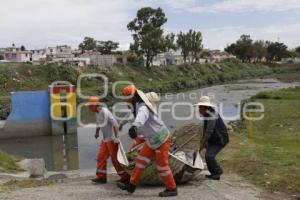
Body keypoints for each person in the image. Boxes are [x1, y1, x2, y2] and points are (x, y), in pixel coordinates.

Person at [117, 85, 177, 197]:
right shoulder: (136, 106)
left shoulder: (142, 107)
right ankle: (131, 185)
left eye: (126, 98)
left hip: (161, 139)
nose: (125, 100)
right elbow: (135, 117)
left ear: (132, 97)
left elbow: (141, 118)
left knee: (162, 166)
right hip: (151, 140)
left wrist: (134, 127)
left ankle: (172, 188)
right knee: (140, 162)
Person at [85, 97, 130, 184]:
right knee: (100, 158)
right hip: (105, 140)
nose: (89, 108)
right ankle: (101, 177)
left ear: (95, 105)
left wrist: (117, 137)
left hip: (112, 140)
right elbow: (99, 123)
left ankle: (126, 177)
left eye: (90, 106)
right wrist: (97, 132)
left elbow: (115, 124)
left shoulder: (105, 112)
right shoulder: (96, 113)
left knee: (115, 160)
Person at [195, 96, 229, 180]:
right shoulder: (207, 114)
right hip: (214, 138)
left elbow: (209, 131)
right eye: (199, 107)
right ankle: (214, 173)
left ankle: (218, 172)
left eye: (200, 107)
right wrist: (203, 141)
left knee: (209, 156)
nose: (199, 109)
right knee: (208, 155)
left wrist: (203, 142)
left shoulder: (211, 115)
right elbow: (205, 129)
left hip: (220, 139)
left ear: (205, 107)